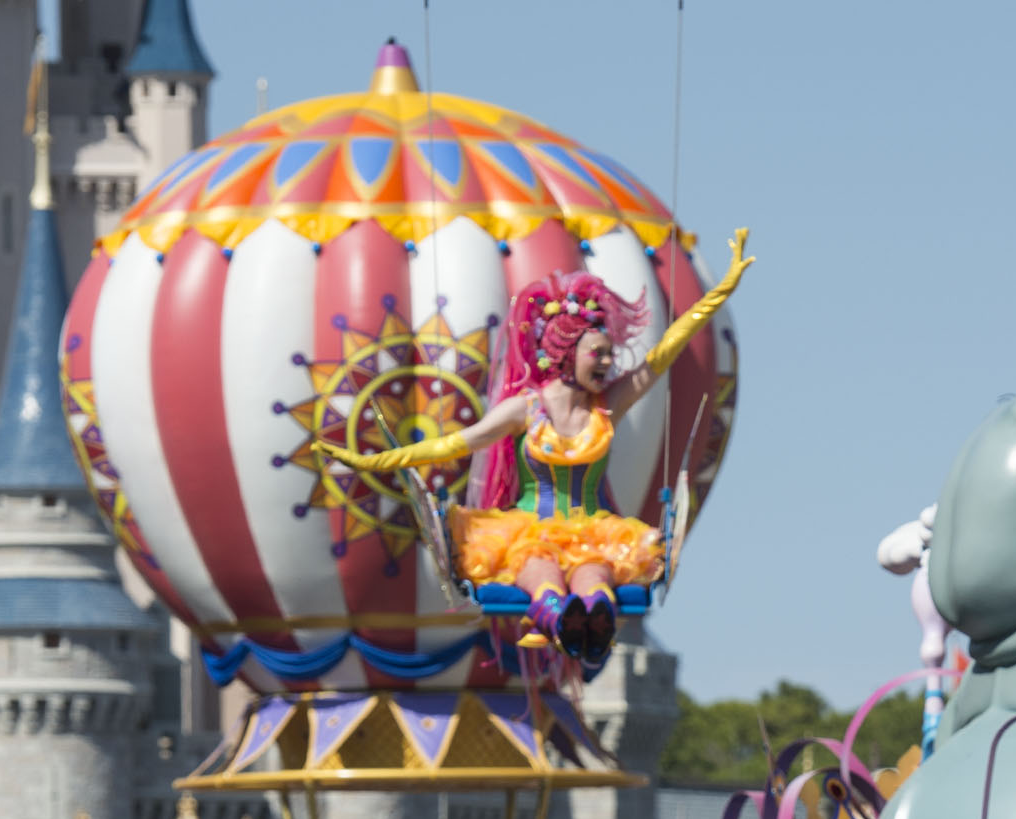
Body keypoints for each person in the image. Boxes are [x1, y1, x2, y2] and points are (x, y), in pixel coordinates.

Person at [320, 246, 755, 672]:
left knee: (594, 578)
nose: (608, 362)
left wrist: (722, 290)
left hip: (594, 533)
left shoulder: (607, 406)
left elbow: (664, 353)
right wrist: (378, 461)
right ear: (566, 354)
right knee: (540, 572)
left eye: (609, 353)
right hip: (526, 531)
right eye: (597, 353)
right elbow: (454, 444)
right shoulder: (525, 410)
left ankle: (592, 625)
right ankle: (559, 620)